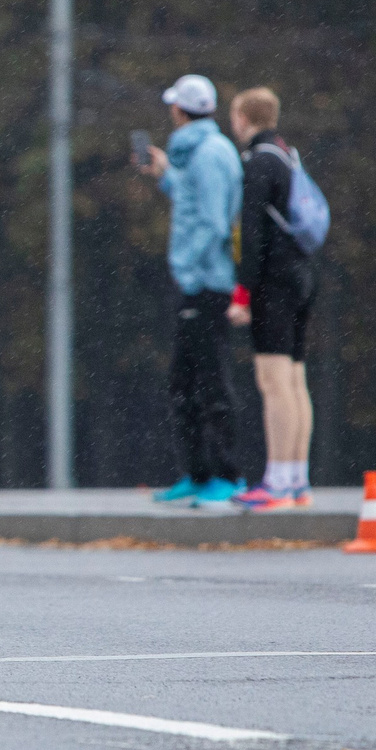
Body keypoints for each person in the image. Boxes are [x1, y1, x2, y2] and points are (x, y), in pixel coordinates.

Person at [137, 72, 245, 506]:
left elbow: (216, 222)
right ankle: (198, 473)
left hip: (207, 283)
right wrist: (166, 175)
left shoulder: (210, 154)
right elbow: (194, 201)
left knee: (211, 380)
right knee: (183, 381)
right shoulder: (197, 152)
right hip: (197, 281)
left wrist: (187, 265)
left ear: (179, 110)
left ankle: (227, 475)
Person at [225, 87, 318, 510]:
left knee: (273, 382)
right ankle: (296, 480)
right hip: (301, 275)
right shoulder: (286, 154)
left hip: (274, 282)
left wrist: (243, 292)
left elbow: (252, 234)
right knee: (295, 380)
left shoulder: (258, 163)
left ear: (244, 118)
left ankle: (277, 482)